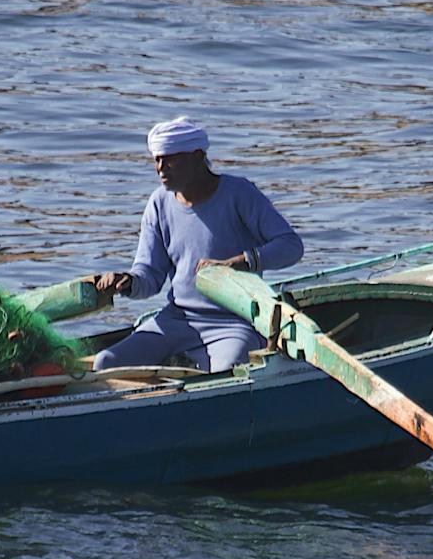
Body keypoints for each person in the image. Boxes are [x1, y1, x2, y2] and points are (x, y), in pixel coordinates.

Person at [89, 118, 303, 375]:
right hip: (178, 319)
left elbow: (291, 246)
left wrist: (240, 262)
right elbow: (150, 276)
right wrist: (127, 282)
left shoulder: (239, 193)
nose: (161, 168)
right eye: (157, 160)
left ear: (198, 156)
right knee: (105, 363)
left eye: (170, 159)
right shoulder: (158, 204)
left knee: (226, 373)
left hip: (233, 322)